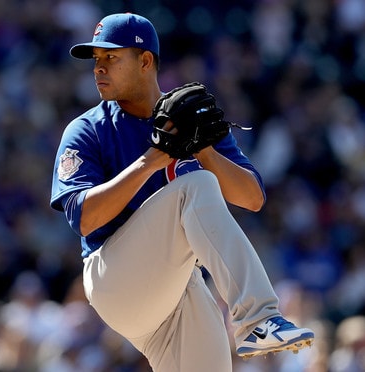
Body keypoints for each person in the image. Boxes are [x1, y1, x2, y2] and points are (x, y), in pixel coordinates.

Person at [50, 12, 314, 371]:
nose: (98, 68)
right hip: (114, 276)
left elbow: (252, 198)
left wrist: (204, 151)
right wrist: (151, 160)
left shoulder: (189, 116)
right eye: (96, 60)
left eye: (110, 57)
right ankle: (257, 319)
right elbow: (83, 218)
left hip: (175, 289)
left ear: (145, 61)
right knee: (197, 184)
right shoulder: (87, 130)